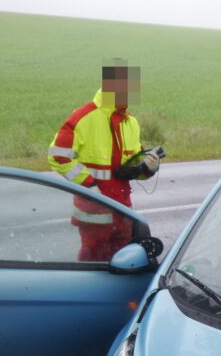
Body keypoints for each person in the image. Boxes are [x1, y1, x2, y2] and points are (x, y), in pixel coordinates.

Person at [48, 59, 161, 261]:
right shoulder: (84, 116)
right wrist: (88, 185)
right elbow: (58, 156)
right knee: (92, 264)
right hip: (94, 211)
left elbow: (129, 167)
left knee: (124, 261)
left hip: (123, 209)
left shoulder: (130, 122)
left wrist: (146, 169)